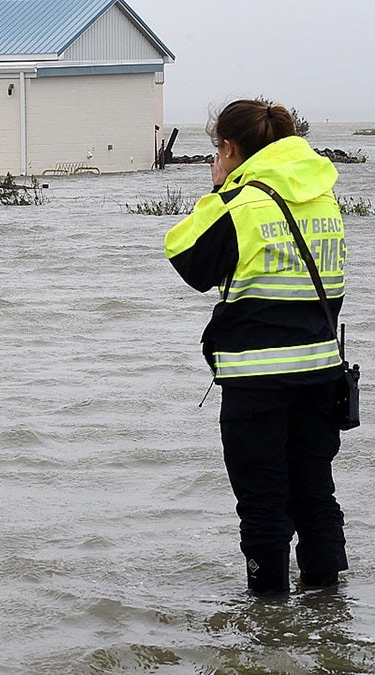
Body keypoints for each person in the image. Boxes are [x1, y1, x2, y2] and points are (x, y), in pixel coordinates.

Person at [164, 99, 349, 596]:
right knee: (316, 493)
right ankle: (327, 610)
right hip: (322, 374)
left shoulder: (241, 203)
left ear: (228, 148)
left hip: (257, 382)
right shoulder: (323, 198)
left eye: (216, 151)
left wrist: (221, 188)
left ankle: (267, 619)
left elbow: (186, 259)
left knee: (263, 501)